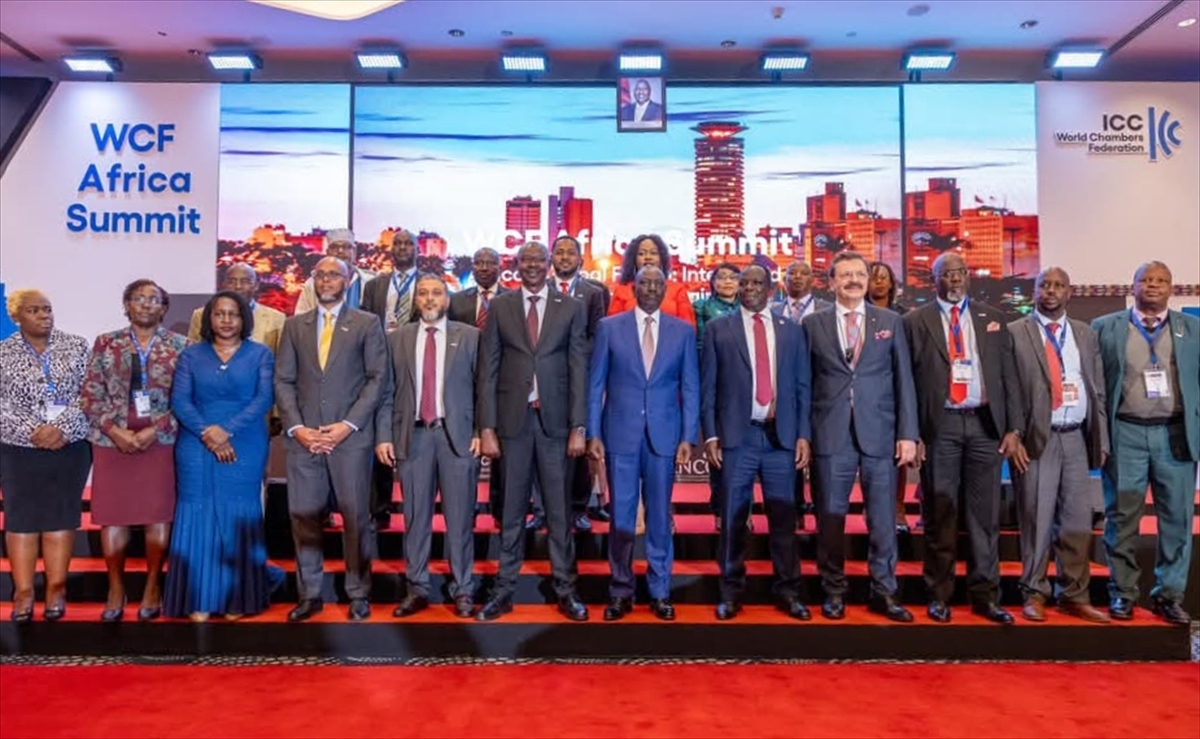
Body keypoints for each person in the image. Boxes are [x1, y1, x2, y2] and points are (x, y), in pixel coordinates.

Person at [902, 253, 1023, 624]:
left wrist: (1014, 428)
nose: (954, 279)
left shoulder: (993, 318)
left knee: (984, 517)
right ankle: (939, 595)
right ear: (934, 280)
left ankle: (986, 597)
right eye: (946, 274)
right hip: (941, 427)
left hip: (985, 427)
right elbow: (907, 383)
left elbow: (1008, 376)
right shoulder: (915, 321)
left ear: (967, 277)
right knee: (940, 514)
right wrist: (913, 433)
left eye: (959, 273)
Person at [475, 241, 589, 622]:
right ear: (517, 264)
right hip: (513, 423)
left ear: (549, 264)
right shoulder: (501, 306)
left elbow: (578, 369)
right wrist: (487, 427)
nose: (534, 265)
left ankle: (566, 590)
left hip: (556, 424)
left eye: (540, 259)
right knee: (510, 511)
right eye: (527, 260)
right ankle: (504, 590)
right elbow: (488, 370)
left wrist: (579, 426)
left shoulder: (570, 307)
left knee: (559, 513)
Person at [804, 252, 917, 622]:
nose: (853, 280)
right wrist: (804, 435)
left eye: (859, 274)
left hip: (880, 434)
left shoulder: (891, 321)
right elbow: (803, 385)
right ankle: (833, 591)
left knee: (883, 519)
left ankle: (884, 591)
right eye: (845, 275)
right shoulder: (813, 324)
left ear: (867, 281)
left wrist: (908, 434)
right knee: (830, 518)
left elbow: (904, 381)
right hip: (830, 433)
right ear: (831, 282)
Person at [275, 256, 388, 622]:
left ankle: (358, 593)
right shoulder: (294, 326)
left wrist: (347, 425)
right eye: (320, 275)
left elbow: (377, 379)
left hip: (349, 441)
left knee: (356, 518)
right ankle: (309, 594)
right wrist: (298, 428)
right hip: (304, 441)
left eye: (333, 275)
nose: (326, 281)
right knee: (304, 518)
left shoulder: (367, 323)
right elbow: (283, 380)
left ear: (348, 280)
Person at [701, 265, 812, 621]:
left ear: (770, 288)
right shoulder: (719, 329)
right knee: (733, 519)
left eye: (756, 282)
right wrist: (711, 434)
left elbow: (802, 387)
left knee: (784, 519)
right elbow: (708, 388)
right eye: (744, 282)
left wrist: (803, 435)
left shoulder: (791, 330)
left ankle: (789, 591)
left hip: (781, 437)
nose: (749, 287)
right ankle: (730, 592)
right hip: (738, 437)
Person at [588, 265, 699, 622]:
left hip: (664, 436)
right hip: (620, 433)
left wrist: (688, 436)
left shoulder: (682, 332)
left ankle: (660, 591)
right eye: (644, 283)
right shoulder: (609, 328)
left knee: (659, 517)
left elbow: (690, 387)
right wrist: (593, 433)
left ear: (665, 289)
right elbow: (596, 385)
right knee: (621, 518)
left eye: (657, 284)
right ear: (634, 288)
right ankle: (621, 590)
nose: (651, 288)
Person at [1092, 261, 1198, 625]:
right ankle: (1123, 593)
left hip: (1175, 434)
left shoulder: (1193, 329)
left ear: (1172, 288)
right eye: (1146, 280)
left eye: (1160, 280)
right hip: (1127, 433)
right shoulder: (1105, 327)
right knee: (1122, 517)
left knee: (1177, 519)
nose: (1153, 285)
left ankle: (1169, 596)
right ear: (1133, 286)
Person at [1006, 267, 1110, 623]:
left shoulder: (1084, 333)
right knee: (1036, 518)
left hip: (1076, 437)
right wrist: (1013, 434)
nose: (1051, 291)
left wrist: (1101, 438)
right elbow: (1008, 389)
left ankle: (1074, 595)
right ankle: (1033, 592)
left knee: (1077, 520)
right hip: (1037, 439)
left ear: (1069, 292)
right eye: (1044, 285)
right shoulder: (1015, 332)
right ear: (1034, 292)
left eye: (1058, 286)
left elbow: (1097, 389)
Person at [165, 291, 277, 622]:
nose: (226, 320)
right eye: (219, 313)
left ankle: (236, 597)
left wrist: (226, 430)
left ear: (244, 319)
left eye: (233, 314)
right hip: (195, 442)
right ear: (208, 319)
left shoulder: (260, 354)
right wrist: (208, 433)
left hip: (245, 440)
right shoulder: (191, 355)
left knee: (236, 513)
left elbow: (264, 398)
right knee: (197, 511)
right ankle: (197, 597)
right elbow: (180, 401)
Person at [375, 273, 481, 619]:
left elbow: (482, 388)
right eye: (423, 293)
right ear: (416, 300)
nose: (430, 299)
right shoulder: (397, 338)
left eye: (437, 293)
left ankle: (462, 588)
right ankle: (417, 587)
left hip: (457, 438)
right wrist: (384, 435)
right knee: (415, 518)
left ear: (447, 299)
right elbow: (386, 392)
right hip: (414, 436)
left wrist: (480, 430)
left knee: (460, 519)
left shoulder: (470, 337)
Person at [81, 279, 188, 622]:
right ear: (126, 305)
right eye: (138, 298)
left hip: (161, 442)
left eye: (153, 299)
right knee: (113, 517)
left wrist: (154, 430)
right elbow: (90, 394)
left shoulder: (181, 346)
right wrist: (115, 431)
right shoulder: (106, 342)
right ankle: (116, 588)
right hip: (112, 442)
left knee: (158, 515)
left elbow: (187, 398)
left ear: (163, 307)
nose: (145, 304)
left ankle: (153, 586)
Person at [0, 289, 91, 622]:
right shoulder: (3, 352)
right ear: (17, 316)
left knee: (60, 518)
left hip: (69, 447)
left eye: (47, 309)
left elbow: (90, 393)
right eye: (34, 310)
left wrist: (61, 429)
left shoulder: (76, 346)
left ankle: (56, 589)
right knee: (21, 520)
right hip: (17, 448)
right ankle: (23, 593)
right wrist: (33, 430)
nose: (44, 315)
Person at [361, 229, 421, 525]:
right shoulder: (374, 286)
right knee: (381, 434)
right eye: (397, 243)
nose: (402, 248)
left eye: (408, 243)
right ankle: (380, 508)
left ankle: (417, 507)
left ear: (418, 249)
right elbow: (364, 325)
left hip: (417, 366)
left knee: (415, 438)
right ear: (390, 249)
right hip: (380, 365)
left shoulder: (431, 284)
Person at [550, 235, 610, 531]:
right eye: (559, 252)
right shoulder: (539, 290)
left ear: (580, 259)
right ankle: (543, 509)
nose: (564, 257)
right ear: (552, 258)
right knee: (545, 445)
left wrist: (573, 355)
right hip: (545, 379)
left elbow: (598, 335)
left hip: (581, 378)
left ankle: (578, 508)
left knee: (580, 445)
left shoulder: (593, 293)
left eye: (570, 253)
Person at [448, 247, 509, 523]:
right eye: (479, 262)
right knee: (466, 448)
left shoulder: (512, 299)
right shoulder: (456, 301)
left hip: (502, 384)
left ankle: (499, 507)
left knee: (501, 451)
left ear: (500, 266)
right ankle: (467, 505)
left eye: (490, 263)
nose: (484, 267)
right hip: (464, 384)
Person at [772, 259, 831, 523]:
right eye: (791, 273)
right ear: (783, 279)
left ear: (813, 280)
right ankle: (794, 512)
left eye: (803, 273)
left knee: (820, 456)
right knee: (788, 454)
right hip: (784, 395)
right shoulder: (771, 310)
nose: (796, 277)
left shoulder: (828, 310)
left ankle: (821, 513)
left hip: (821, 394)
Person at [866, 260, 918, 533]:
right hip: (864, 395)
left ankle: (898, 508)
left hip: (894, 394)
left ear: (891, 283)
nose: (878, 282)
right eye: (873, 277)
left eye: (883, 277)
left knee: (897, 455)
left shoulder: (904, 317)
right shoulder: (856, 313)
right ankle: (871, 509)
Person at [692, 263, 742, 529]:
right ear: (711, 282)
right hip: (714, 380)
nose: (727, 282)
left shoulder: (748, 309)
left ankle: (741, 512)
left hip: (745, 387)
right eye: (721, 277)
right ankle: (720, 510)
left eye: (733, 277)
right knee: (718, 451)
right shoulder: (702, 307)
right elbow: (700, 344)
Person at [186, 263, 285, 354]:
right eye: (231, 281)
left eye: (245, 281)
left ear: (256, 285)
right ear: (223, 284)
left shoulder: (277, 318)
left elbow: (281, 359)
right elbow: (194, 353)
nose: (238, 286)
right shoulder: (201, 315)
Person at [607, 234, 696, 326]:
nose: (648, 257)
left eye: (653, 253)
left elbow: (688, 328)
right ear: (633, 259)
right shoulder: (622, 291)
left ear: (662, 259)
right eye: (641, 253)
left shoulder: (678, 290)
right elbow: (613, 327)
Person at [293, 228, 377, 315]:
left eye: (346, 247)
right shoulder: (312, 284)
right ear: (328, 253)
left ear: (354, 252)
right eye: (334, 247)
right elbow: (301, 318)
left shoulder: (371, 282)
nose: (340, 251)